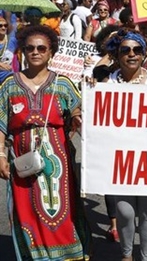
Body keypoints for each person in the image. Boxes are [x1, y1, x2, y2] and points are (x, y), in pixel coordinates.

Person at [0, 25, 91, 260]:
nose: (35, 52)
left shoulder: (63, 84)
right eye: (30, 48)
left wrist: (79, 117)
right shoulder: (9, 85)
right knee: (26, 211)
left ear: (51, 52)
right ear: (22, 51)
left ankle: (67, 255)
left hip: (59, 166)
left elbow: (77, 114)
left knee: (64, 209)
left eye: (42, 48)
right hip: (22, 163)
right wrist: (0, 156)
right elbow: (1, 123)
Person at [102, 28, 147, 261]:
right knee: (124, 211)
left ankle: (146, 258)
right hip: (118, 156)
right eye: (125, 50)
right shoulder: (106, 82)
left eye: (137, 50)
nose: (132, 54)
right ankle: (126, 255)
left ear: (143, 54)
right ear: (117, 55)